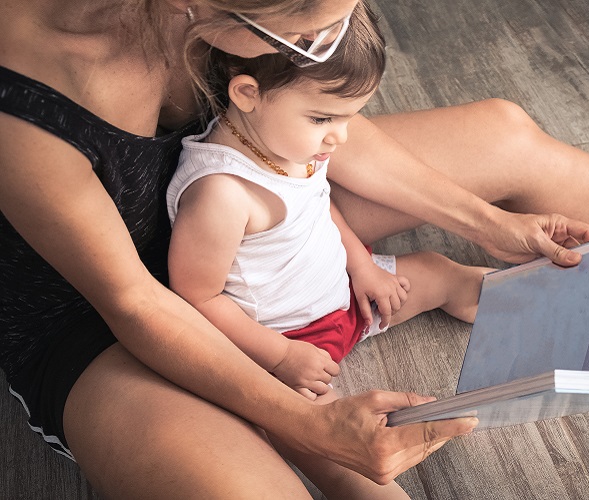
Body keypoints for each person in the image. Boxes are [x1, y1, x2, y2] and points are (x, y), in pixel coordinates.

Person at [0, 0, 589, 497]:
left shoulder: (257, 58)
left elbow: (318, 124)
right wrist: (306, 420)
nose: (327, 43)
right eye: (309, 35)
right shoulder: (20, 104)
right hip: (105, 312)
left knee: (502, 132)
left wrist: (490, 225)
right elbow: (137, 300)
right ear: (201, 9)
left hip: (259, 187)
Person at [166, 11, 493, 496]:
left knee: (435, 270)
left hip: (346, 298)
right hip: (281, 342)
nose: (339, 136)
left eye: (349, 116)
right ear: (247, 94)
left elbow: (321, 205)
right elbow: (195, 298)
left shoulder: (291, 145)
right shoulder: (222, 193)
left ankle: (525, 301)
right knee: (328, 441)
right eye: (323, 118)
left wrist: (362, 267)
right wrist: (279, 356)